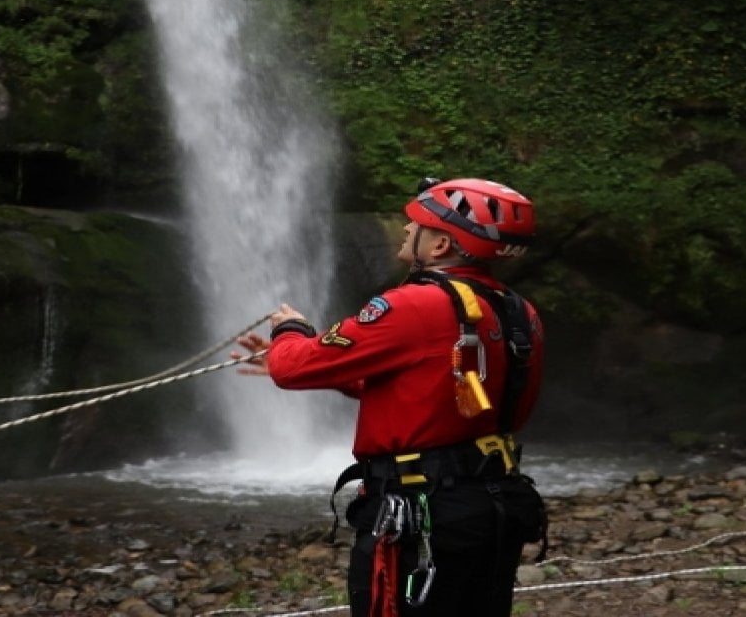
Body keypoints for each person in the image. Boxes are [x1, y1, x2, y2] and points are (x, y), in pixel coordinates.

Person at [233, 177, 547, 617]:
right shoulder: (517, 310)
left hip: (422, 511)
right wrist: (317, 367)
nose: (404, 229)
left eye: (415, 223)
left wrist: (290, 332)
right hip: (494, 502)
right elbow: (427, 390)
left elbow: (294, 367)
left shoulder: (411, 305)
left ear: (440, 245)